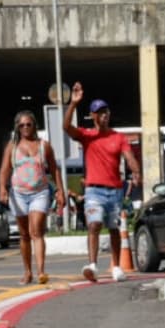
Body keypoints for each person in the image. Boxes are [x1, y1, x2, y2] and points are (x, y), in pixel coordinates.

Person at [63, 82, 141, 282]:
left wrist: (136, 171)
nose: (104, 115)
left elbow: (129, 156)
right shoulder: (87, 136)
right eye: (100, 112)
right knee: (94, 224)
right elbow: (66, 127)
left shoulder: (118, 137)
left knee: (114, 228)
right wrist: (73, 103)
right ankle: (93, 265)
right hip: (93, 191)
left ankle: (116, 266)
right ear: (93, 116)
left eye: (106, 112)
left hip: (114, 191)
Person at [0, 110, 65, 285]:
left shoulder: (44, 146)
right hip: (18, 194)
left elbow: (54, 168)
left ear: (34, 125)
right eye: (21, 125)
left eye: (28, 124)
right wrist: (2, 190)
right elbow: (5, 170)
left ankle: (41, 271)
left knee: (36, 231)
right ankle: (27, 272)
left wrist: (60, 191)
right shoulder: (12, 147)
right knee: (24, 234)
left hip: (40, 193)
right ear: (17, 128)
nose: (25, 127)